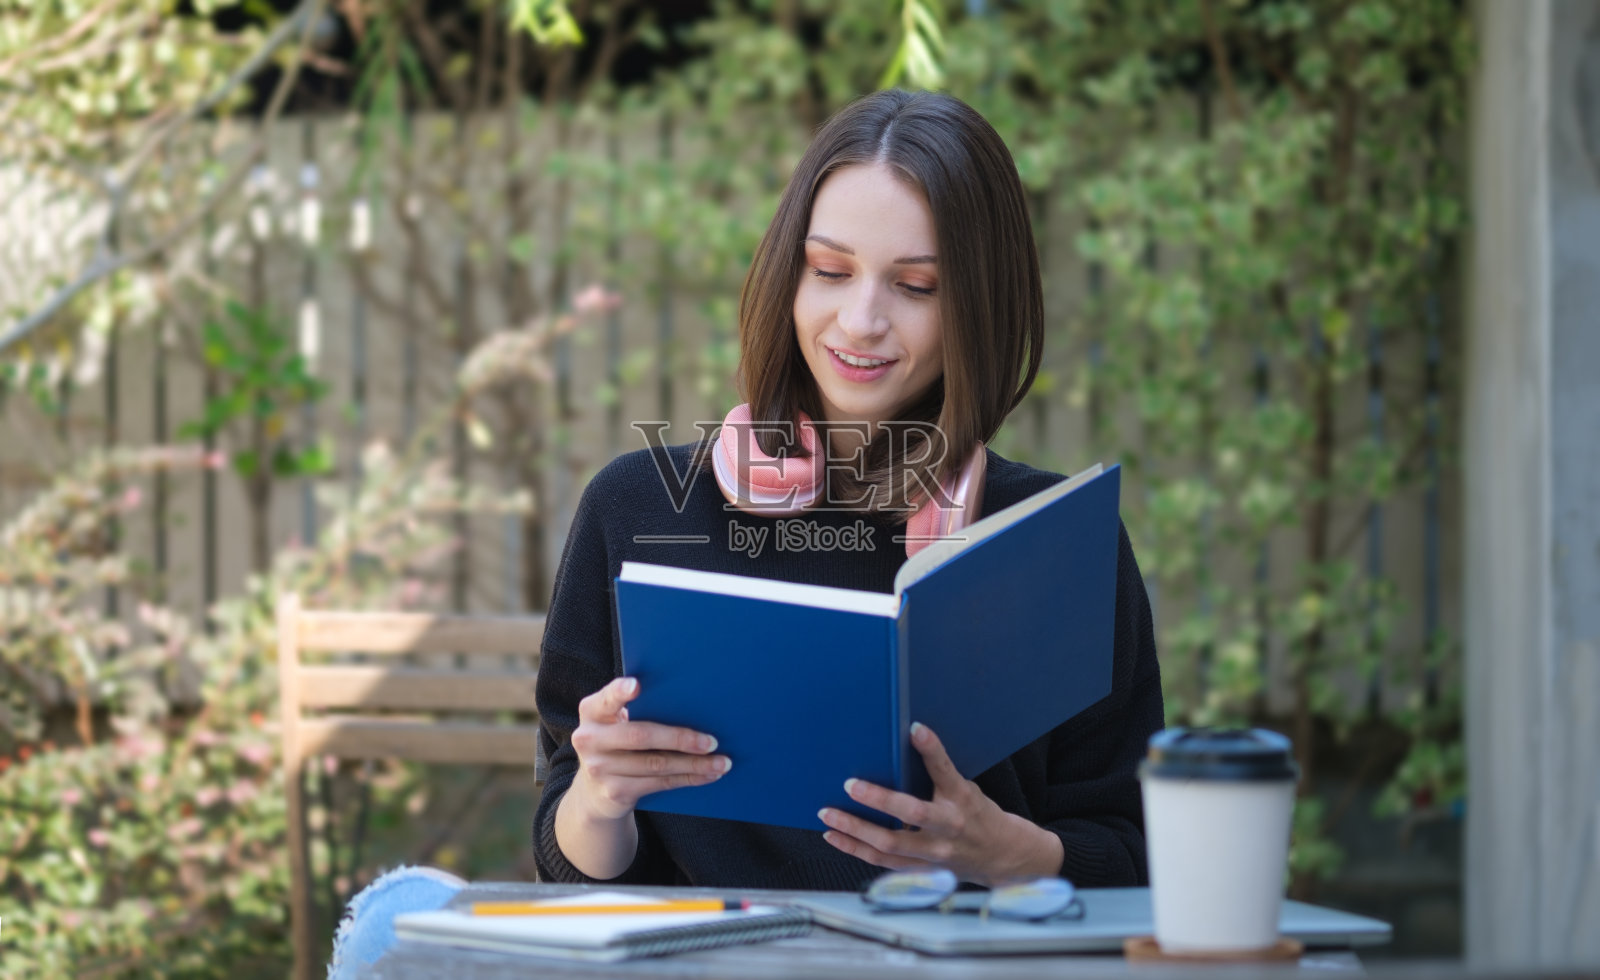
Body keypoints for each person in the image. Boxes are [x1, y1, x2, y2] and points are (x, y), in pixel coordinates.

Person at [532, 89, 1163, 891]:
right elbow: (564, 852)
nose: (860, 320)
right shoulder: (638, 510)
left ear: (981, 306)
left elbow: (1135, 849)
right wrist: (598, 797)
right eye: (830, 271)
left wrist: (1013, 857)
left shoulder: (1058, 543)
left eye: (917, 286)